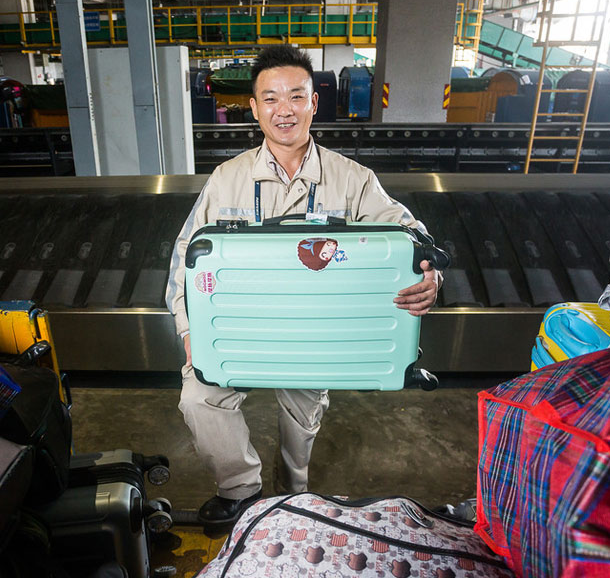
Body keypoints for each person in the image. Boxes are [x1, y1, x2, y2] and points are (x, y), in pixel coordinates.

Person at [165, 45, 441, 525]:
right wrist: (189, 331)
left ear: (314, 103)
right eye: (271, 98)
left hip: (314, 332)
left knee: (302, 416)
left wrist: (430, 274)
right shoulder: (226, 180)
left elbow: (412, 236)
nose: (284, 110)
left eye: (296, 96)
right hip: (239, 327)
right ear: (254, 108)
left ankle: (292, 495)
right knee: (199, 398)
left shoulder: (352, 179)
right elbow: (184, 259)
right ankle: (241, 490)